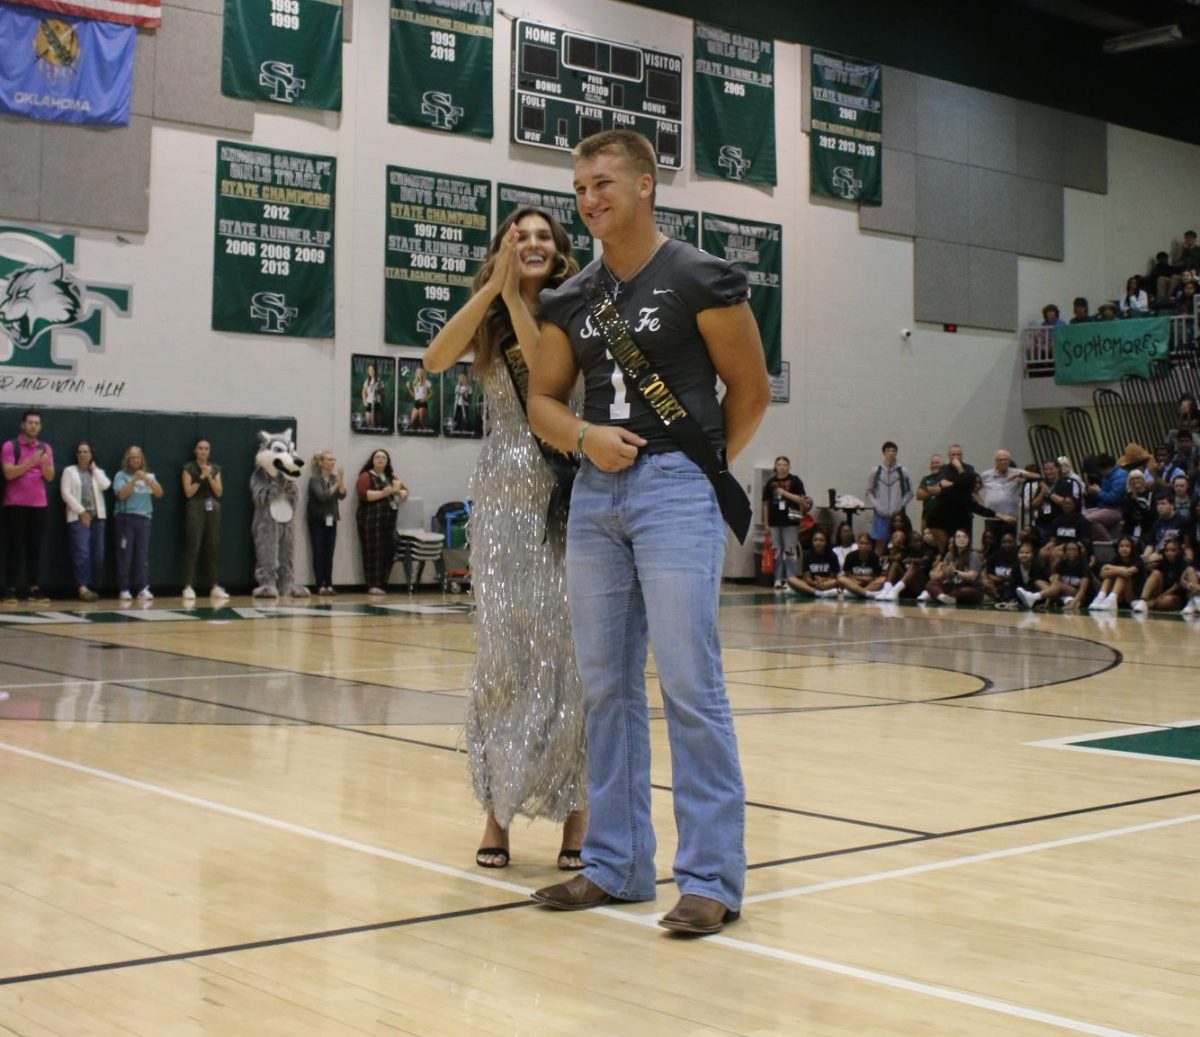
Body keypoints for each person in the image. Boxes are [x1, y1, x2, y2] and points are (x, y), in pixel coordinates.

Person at [528, 129, 770, 935]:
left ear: (645, 185)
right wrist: (581, 439)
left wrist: (696, 470)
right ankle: (615, 863)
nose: (589, 199)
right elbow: (545, 402)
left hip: (675, 490)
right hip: (596, 493)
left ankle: (709, 878)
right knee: (605, 686)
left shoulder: (702, 275)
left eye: (603, 183)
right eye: (580, 188)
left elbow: (751, 387)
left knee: (690, 684)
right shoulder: (569, 297)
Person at [423, 204, 587, 871]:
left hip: (569, 493)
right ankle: (498, 816)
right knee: (502, 661)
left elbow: (547, 365)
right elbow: (435, 359)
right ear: (501, 247)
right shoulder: (489, 316)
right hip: (501, 499)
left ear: (560, 248)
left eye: (544, 235)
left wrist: (520, 294)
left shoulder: (578, 308)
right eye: (520, 235)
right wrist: (494, 289)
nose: (533, 242)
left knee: (572, 663)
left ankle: (579, 823)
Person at [2, 409, 54, 604]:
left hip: (39, 505)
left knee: (35, 547)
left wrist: (45, 463)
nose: (33, 426)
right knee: (14, 547)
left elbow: (49, 477)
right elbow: (9, 474)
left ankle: (34, 587)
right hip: (15, 504)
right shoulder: (10, 446)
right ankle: (10, 589)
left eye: (37, 423)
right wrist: (30, 462)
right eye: (30, 422)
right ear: (23, 425)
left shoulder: (45, 447)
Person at [112, 445, 163, 602]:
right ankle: (124, 588)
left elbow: (160, 493)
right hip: (126, 518)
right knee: (125, 554)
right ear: (128, 459)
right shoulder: (121, 476)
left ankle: (143, 587)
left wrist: (149, 481)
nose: (136, 460)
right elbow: (121, 495)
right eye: (133, 457)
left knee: (142, 555)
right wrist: (134, 480)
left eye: (138, 457)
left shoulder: (149, 476)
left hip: (144, 519)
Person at [60, 441, 110, 602]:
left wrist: (94, 469)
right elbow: (65, 493)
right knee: (81, 552)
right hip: (78, 517)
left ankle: (93, 585)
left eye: (86, 452)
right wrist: (81, 511)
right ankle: (82, 587)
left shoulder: (97, 472)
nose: (82, 454)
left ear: (91, 455)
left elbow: (106, 485)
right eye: (80, 452)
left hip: (97, 518)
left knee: (98, 555)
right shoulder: (69, 471)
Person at [180, 438, 228, 602]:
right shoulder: (188, 468)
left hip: (213, 507)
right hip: (195, 506)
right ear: (195, 450)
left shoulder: (215, 469)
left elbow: (219, 491)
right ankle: (188, 586)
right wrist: (201, 477)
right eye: (200, 448)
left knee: (213, 545)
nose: (203, 451)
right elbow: (188, 492)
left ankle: (214, 586)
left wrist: (209, 477)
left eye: (206, 448)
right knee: (193, 544)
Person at [355, 448, 406, 595]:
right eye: (377, 457)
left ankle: (383, 582)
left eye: (383, 457)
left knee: (388, 550)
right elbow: (364, 494)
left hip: (388, 521)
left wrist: (401, 492)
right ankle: (373, 584)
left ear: (387, 461)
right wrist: (383, 493)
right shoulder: (366, 476)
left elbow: (404, 490)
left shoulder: (390, 477)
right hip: (371, 520)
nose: (380, 459)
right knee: (372, 551)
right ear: (372, 460)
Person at [761, 456, 810, 588]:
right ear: (775, 467)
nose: (782, 467)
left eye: (785, 465)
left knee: (789, 550)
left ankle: (791, 578)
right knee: (777, 550)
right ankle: (778, 578)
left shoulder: (795, 481)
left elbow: (801, 500)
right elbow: (765, 504)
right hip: (775, 520)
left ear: (788, 467)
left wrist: (784, 493)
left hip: (791, 519)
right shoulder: (770, 483)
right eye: (779, 464)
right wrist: (766, 523)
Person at [307, 450, 346, 596]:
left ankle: (329, 584)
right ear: (321, 462)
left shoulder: (335, 478)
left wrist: (340, 480)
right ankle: (320, 584)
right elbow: (323, 497)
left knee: (329, 553)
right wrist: (337, 483)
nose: (332, 462)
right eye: (329, 459)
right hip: (317, 519)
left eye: (333, 459)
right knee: (319, 552)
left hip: (332, 518)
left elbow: (342, 495)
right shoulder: (314, 479)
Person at [865, 441, 912, 553]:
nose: (891, 453)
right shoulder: (876, 471)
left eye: (893, 451)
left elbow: (909, 492)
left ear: (896, 453)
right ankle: (879, 567)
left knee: (899, 543)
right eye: (888, 451)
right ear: (883, 453)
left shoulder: (903, 471)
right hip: (880, 515)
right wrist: (877, 506)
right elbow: (869, 492)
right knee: (879, 545)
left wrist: (900, 505)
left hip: (897, 517)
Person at [978, 449, 1035, 540]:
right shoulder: (986, 475)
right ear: (996, 461)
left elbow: (1037, 476)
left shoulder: (1015, 472)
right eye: (1001, 460)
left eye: (1006, 459)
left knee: (1009, 546)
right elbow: (974, 490)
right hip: (992, 518)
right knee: (991, 546)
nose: (1003, 462)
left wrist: (1019, 475)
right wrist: (981, 504)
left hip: (1010, 519)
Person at [920, 528, 984, 606]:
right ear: (954, 540)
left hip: (972, 588)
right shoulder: (949, 555)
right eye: (958, 537)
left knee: (963, 591)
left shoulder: (973, 555)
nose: (961, 539)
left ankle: (939, 596)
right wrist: (945, 572)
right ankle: (944, 597)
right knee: (930, 584)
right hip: (954, 586)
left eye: (964, 537)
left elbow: (972, 576)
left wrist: (955, 572)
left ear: (968, 540)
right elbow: (941, 576)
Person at [1081, 452, 1127, 543]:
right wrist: (1093, 492)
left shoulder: (1120, 476)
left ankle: (1108, 542)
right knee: (1081, 515)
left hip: (1117, 509)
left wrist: (1099, 492)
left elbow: (1113, 498)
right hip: (1104, 507)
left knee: (1090, 519)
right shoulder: (1107, 476)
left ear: (1105, 468)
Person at [1090, 536, 1145, 611]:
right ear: (1118, 548)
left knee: (1121, 575)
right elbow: (1102, 574)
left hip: (1132, 598)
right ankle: (1100, 597)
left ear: (1132, 548)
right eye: (1121, 546)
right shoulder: (1115, 559)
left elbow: (1127, 572)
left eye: (1127, 546)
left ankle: (1112, 599)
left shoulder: (1138, 560)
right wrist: (1117, 570)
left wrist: (1112, 568)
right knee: (1109, 575)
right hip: (1119, 596)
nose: (1124, 548)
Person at [785, 527, 841, 597]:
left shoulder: (832, 555)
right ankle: (818, 593)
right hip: (811, 584)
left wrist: (823, 580)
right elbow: (806, 578)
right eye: (815, 540)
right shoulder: (807, 556)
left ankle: (811, 592)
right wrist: (814, 583)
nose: (818, 543)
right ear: (812, 542)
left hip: (826, 583)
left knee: (836, 581)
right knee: (790, 579)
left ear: (826, 542)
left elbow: (833, 577)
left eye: (821, 540)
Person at [837, 531, 882, 599]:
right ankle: (866, 593)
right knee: (841, 579)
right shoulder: (850, 556)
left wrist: (858, 578)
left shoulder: (874, 557)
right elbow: (848, 576)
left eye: (866, 544)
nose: (863, 546)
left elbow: (875, 578)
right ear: (858, 544)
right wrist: (863, 579)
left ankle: (856, 593)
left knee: (883, 580)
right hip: (855, 583)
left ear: (870, 545)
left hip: (869, 584)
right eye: (861, 543)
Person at [915, 453, 943, 531]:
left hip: (943, 518)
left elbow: (947, 493)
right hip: (926, 517)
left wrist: (928, 490)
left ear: (943, 465)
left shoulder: (947, 478)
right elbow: (919, 495)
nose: (934, 465)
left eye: (937, 463)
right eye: (932, 463)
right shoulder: (926, 479)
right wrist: (935, 491)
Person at [360, 363, 384, 430]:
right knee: (368, 424)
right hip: (369, 404)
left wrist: (378, 389)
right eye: (370, 370)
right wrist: (364, 400)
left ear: (375, 370)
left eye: (372, 369)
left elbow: (383, 393)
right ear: (368, 371)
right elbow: (363, 391)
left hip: (377, 404)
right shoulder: (367, 381)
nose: (371, 371)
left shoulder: (380, 381)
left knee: (377, 425)